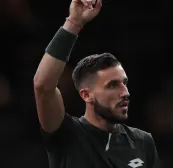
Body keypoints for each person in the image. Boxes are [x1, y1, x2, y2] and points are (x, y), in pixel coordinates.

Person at [33, 0, 159, 168]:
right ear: (86, 94)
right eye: (113, 85)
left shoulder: (143, 141)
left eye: (125, 83)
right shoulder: (67, 134)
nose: (125, 92)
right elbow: (43, 86)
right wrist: (74, 23)